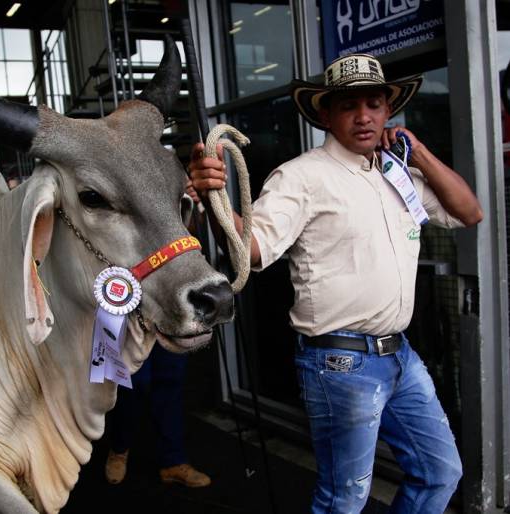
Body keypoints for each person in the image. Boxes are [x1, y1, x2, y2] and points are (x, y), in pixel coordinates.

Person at [189, 53, 483, 513]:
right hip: (341, 363)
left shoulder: (397, 172)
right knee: (344, 498)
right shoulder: (302, 176)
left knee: (440, 471)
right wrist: (214, 198)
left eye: (374, 104)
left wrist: (418, 151)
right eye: (349, 106)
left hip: (400, 355)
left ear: (388, 111)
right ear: (325, 115)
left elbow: (469, 212)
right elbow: (252, 251)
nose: (363, 116)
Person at [104, 181, 211, 489]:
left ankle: (173, 461)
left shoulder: (173, 190)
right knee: (132, 383)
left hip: (169, 304)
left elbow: (192, 241)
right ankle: (119, 450)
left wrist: (192, 206)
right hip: (130, 300)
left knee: (170, 381)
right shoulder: (122, 191)